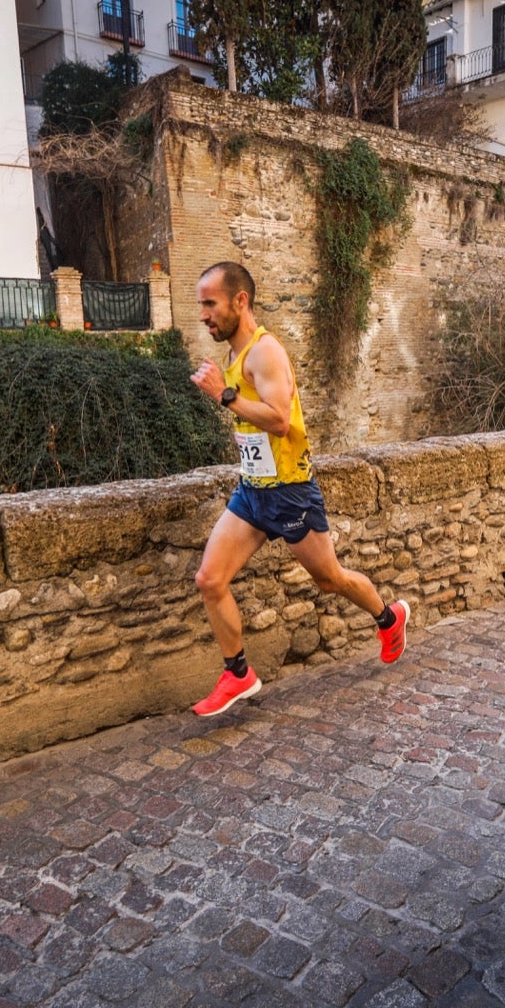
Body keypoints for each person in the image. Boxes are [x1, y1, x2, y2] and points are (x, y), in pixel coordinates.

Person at [187, 261, 408, 716]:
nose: (204, 315)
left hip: (290, 491)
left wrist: (224, 396)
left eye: (210, 303)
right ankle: (237, 672)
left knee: (330, 580)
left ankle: (389, 618)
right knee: (210, 579)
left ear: (239, 301)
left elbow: (279, 420)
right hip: (252, 491)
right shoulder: (231, 357)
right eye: (201, 305)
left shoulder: (265, 352)